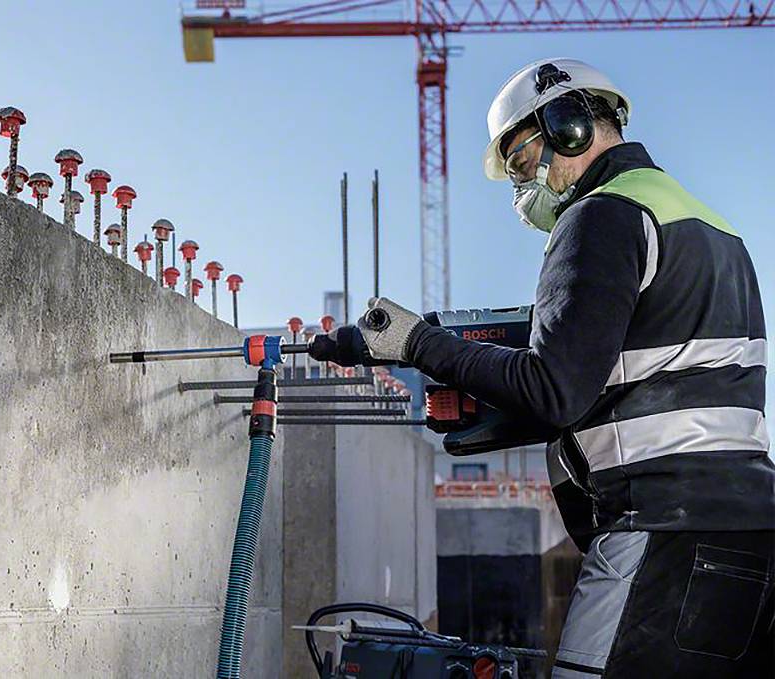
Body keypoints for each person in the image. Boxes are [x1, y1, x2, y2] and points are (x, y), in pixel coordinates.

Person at [308, 58, 775, 677]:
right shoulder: (713, 230)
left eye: (523, 164)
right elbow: (638, 382)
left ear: (569, 126)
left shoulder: (602, 215)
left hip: (662, 528)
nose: (523, 188)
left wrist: (418, 343)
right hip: (749, 529)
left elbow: (554, 390)